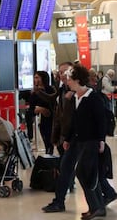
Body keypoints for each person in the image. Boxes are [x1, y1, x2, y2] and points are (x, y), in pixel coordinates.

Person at [64, 64, 107, 219]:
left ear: (76, 80)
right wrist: (68, 138)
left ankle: (96, 206)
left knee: (84, 173)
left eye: (69, 79)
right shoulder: (76, 97)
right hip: (80, 140)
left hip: (92, 141)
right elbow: (74, 121)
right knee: (86, 173)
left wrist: (101, 140)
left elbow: (100, 120)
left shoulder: (93, 97)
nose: (67, 81)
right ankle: (98, 206)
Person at [42, 61, 77, 213]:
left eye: (65, 72)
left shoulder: (78, 91)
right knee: (68, 169)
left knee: (68, 168)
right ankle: (107, 194)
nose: (62, 75)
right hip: (64, 136)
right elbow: (58, 112)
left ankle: (59, 201)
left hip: (75, 137)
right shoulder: (62, 89)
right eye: (60, 72)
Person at [28, 71, 57, 155]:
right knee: (46, 141)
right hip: (42, 120)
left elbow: (52, 102)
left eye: (37, 77)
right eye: (34, 77)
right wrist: (38, 110)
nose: (35, 80)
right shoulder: (34, 92)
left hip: (52, 119)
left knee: (51, 141)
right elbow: (31, 108)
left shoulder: (51, 90)